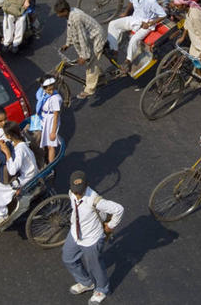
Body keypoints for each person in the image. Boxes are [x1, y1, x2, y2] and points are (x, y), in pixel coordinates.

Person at [62, 171, 124, 304]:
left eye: (80, 191)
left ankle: (102, 289)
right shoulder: (71, 193)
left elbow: (119, 209)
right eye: (75, 191)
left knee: (94, 267)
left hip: (91, 239)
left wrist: (110, 226)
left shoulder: (94, 200)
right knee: (68, 258)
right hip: (75, 234)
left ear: (87, 185)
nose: (77, 195)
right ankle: (86, 283)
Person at [106, 0, 167, 76]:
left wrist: (150, 23)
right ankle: (114, 50)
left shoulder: (150, 0)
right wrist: (126, 13)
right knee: (113, 24)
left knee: (134, 40)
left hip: (145, 24)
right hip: (134, 18)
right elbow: (131, 1)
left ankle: (128, 61)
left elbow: (163, 15)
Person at [55, 0, 107, 99]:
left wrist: (85, 56)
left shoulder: (76, 18)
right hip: (90, 36)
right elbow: (70, 29)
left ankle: (89, 90)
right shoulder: (70, 14)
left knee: (91, 63)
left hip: (97, 37)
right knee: (91, 61)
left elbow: (82, 38)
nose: (58, 15)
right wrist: (68, 43)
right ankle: (99, 77)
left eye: (59, 13)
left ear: (65, 11)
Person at [38, 75, 62, 163]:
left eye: (52, 89)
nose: (51, 92)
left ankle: (51, 166)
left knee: (51, 145)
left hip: (51, 121)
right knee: (44, 142)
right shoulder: (43, 93)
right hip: (44, 119)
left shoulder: (55, 98)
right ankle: (45, 158)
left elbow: (56, 115)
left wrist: (53, 132)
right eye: (48, 90)